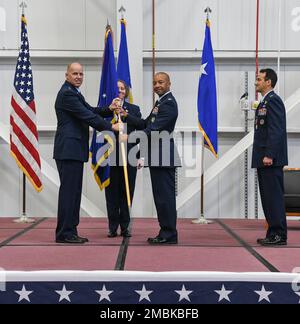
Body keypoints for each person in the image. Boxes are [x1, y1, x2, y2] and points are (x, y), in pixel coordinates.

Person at [53, 62, 120, 244]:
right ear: (66, 75)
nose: (78, 77)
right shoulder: (67, 94)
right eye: (74, 73)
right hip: (69, 150)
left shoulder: (74, 93)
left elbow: (90, 110)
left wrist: (109, 109)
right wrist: (111, 126)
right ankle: (65, 233)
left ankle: (70, 231)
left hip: (73, 150)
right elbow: (87, 116)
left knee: (74, 193)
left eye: (81, 74)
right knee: (69, 193)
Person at [120, 72, 180, 244]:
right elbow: (146, 123)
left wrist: (130, 138)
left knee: (165, 198)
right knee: (160, 198)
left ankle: (169, 234)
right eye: (154, 83)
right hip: (156, 155)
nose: (157, 85)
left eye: (161, 82)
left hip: (163, 156)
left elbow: (155, 129)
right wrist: (126, 116)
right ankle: (165, 232)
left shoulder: (168, 104)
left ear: (169, 83)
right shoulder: (160, 102)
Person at [252, 68, 288, 246]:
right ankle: (273, 232)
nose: (255, 82)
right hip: (263, 158)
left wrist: (269, 155)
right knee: (267, 198)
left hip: (270, 159)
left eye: (259, 79)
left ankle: (279, 234)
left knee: (273, 197)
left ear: (269, 82)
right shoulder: (264, 102)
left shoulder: (273, 101)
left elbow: (276, 130)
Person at [105, 80, 141, 238]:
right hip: (110, 156)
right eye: (117, 88)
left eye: (122, 88)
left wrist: (130, 138)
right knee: (111, 193)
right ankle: (112, 226)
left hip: (130, 156)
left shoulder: (134, 109)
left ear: (126, 91)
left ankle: (125, 226)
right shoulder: (106, 109)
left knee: (127, 191)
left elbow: (142, 129)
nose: (120, 90)